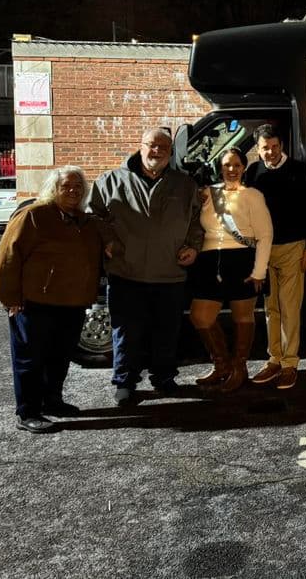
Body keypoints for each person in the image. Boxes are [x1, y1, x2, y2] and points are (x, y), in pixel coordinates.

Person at [89, 128, 202, 407]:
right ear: (140, 146)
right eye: (152, 145)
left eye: (164, 147)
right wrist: (109, 240)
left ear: (170, 153)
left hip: (170, 272)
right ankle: (125, 382)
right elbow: (95, 216)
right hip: (127, 271)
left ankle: (163, 377)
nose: (157, 151)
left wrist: (193, 246)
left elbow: (197, 221)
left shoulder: (184, 184)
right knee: (127, 331)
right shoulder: (111, 181)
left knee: (167, 330)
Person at [0, 166, 103, 432]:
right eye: (66, 186)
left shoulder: (84, 221)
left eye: (78, 187)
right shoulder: (33, 216)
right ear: (53, 189)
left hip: (72, 302)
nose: (73, 191)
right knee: (30, 359)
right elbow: (8, 258)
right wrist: (10, 297)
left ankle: (52, 401)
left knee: (59, 357)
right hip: (34, 301)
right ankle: (28, 412)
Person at [189, 148, 273, 392]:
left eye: (237, 164)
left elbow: (265, 235)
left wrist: (259, 271)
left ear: (244, 167)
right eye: (227, 164)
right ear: (220, 167)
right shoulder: (207, 193)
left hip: (241, 259)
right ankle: (221, 365)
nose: (232, 169)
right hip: (209, 260)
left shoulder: (252, 195)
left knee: (242, 317)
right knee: (200, 316)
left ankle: (239, 368)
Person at [244, 124, 306, 390]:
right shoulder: (252, 172)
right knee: (270, 308)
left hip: (293, 248)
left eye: (275, 147)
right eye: (266, 148)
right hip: (264, 250)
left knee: (289, 308)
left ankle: (290, 363)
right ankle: (274, 359)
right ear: (258, 149)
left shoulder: (299, 170)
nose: (271, 152)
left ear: (282, 146)